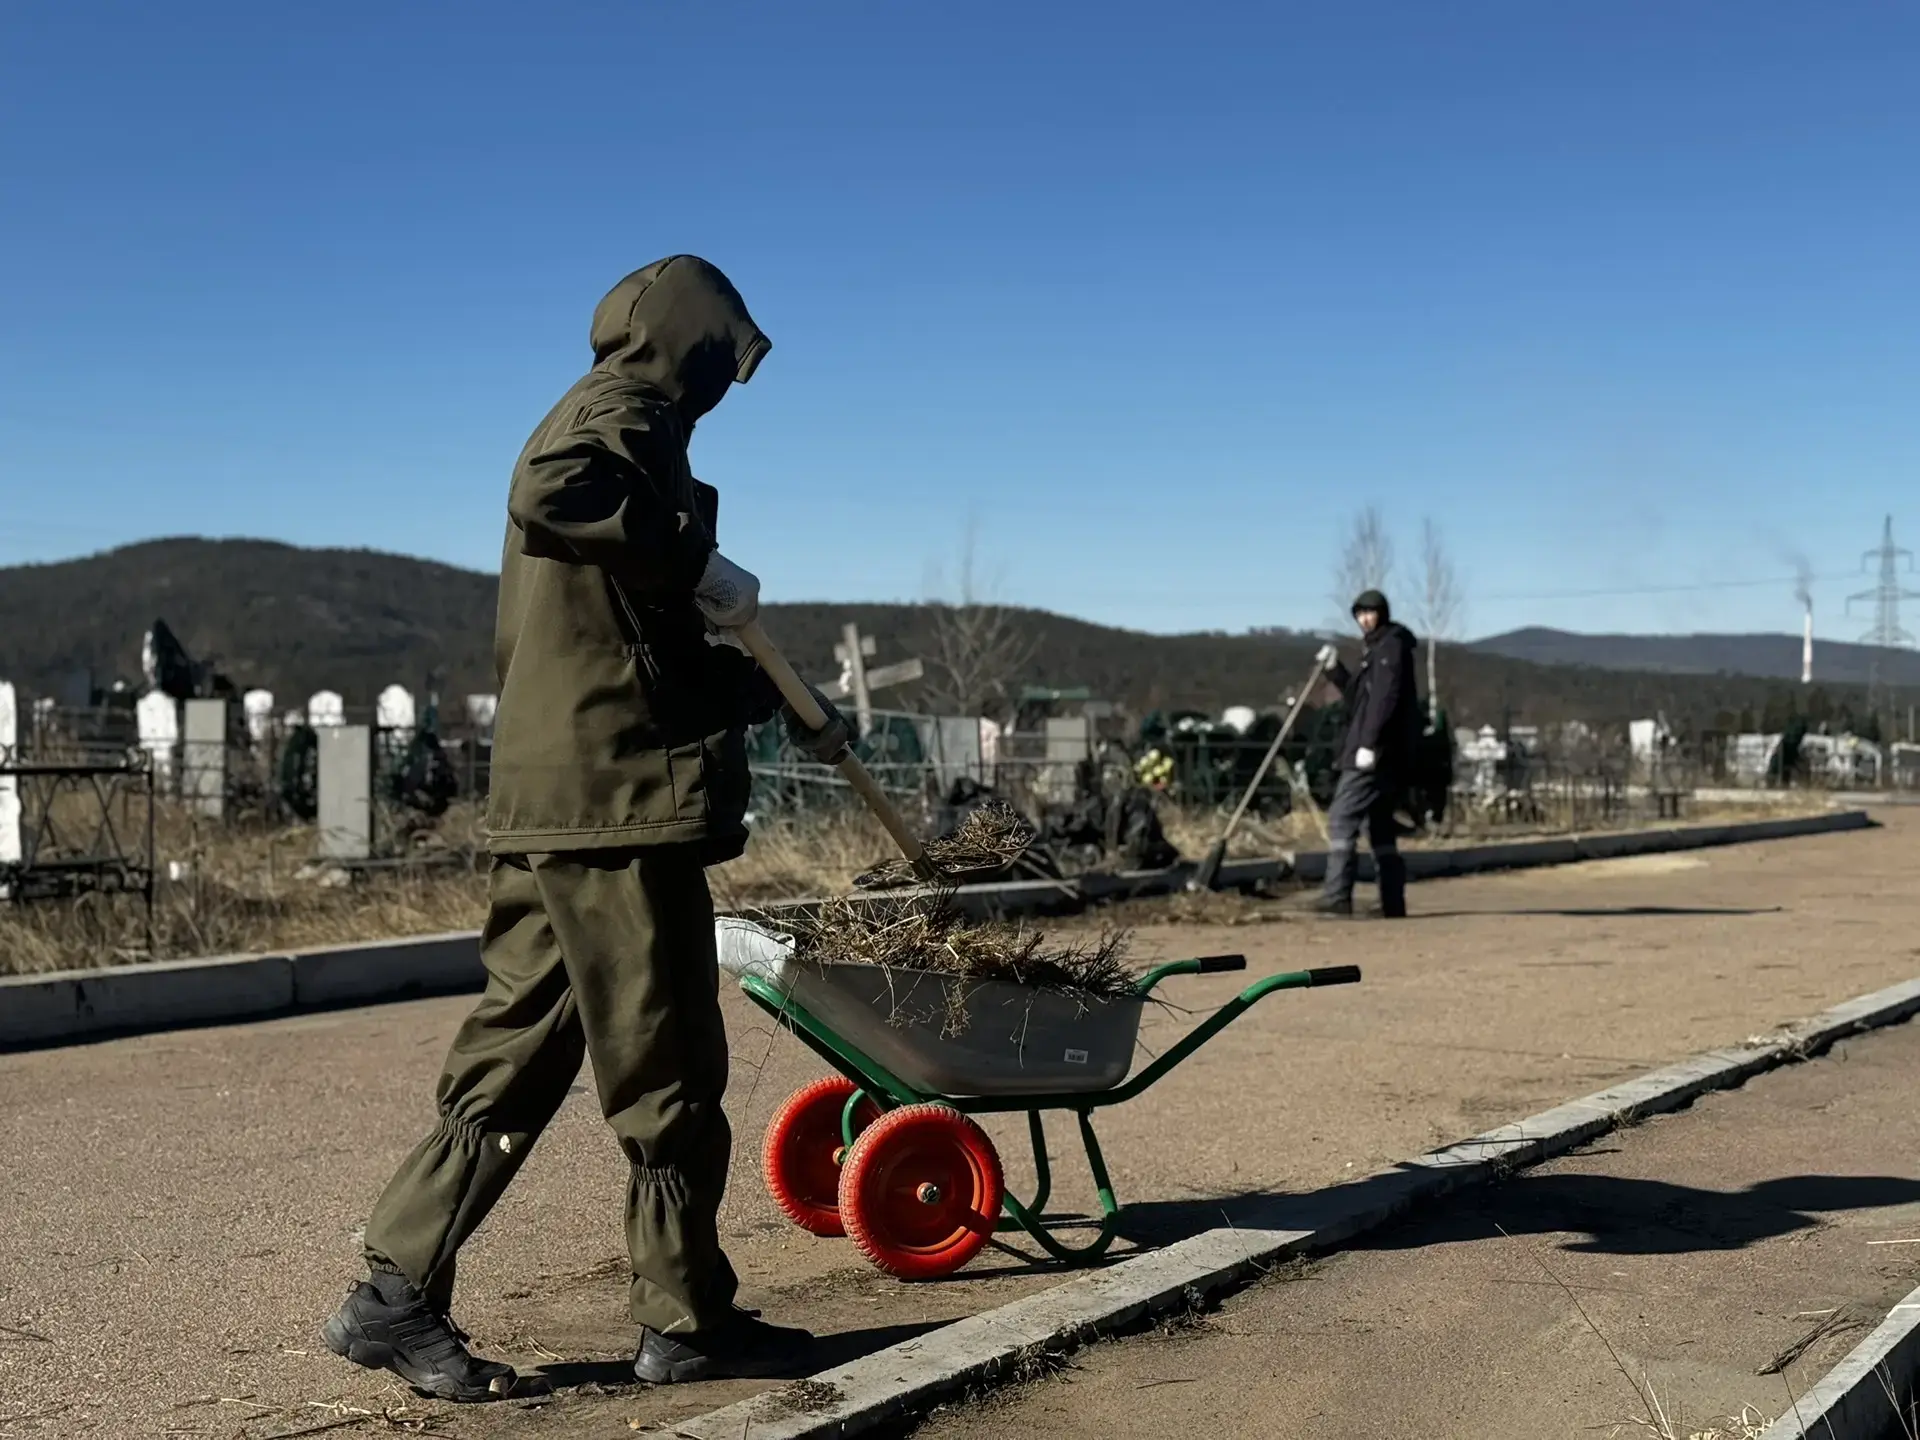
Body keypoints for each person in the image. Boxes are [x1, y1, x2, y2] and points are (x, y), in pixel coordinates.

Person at [321, 256, 851, 1400]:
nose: (722, 386)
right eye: (720, 359)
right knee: (669, 1067)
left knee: (516, 1053)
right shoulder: (620, 413)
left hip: (563, 795)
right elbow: (550, 490)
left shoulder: (622, 421)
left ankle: (393, 1295)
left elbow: (625, 642)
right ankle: (688, 1322)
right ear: (688, 344)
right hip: (615, 809)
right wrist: (691, 551)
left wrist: (750, 688)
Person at [1312, 589, 1420, 918]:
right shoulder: (1378, 648)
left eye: (1370, 613)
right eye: (1360, 614)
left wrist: (1368, 744)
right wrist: (1335, 670)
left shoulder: (1389, 648)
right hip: (1385, 751)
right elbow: (1359, 697)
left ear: (1382, 613)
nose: (1365, 619)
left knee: (1342, 816)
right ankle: (1392, 901)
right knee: (1379, 824)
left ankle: (1337, 895)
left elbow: (1384, 700)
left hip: (1375, 751)